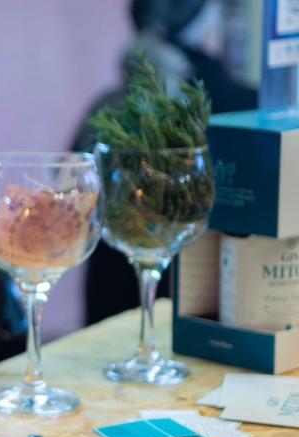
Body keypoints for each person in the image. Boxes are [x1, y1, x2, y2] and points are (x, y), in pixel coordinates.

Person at [72, 0, 258, 325]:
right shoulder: (248, 108)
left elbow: (74, 204)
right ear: (207, 21)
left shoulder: (105, 108)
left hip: (110, 315)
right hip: (211, 313)